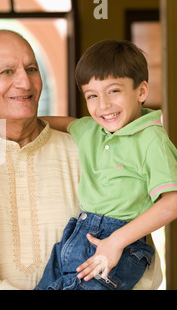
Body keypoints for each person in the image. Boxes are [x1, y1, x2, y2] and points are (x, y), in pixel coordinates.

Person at [0, 29, 162, 289]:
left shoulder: (89, 150)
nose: (25, 83)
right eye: (7, 72)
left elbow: (133, 247)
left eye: (32, 69)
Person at [35, 40, 177, 290]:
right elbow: (51, 122)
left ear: (141, 92)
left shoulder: (151, 139)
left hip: (124, 243)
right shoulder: (90, 129)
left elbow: (173, 201)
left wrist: (117, 241)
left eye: (113, 91)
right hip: (78, 233)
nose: (103, 105)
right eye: (92, 95)